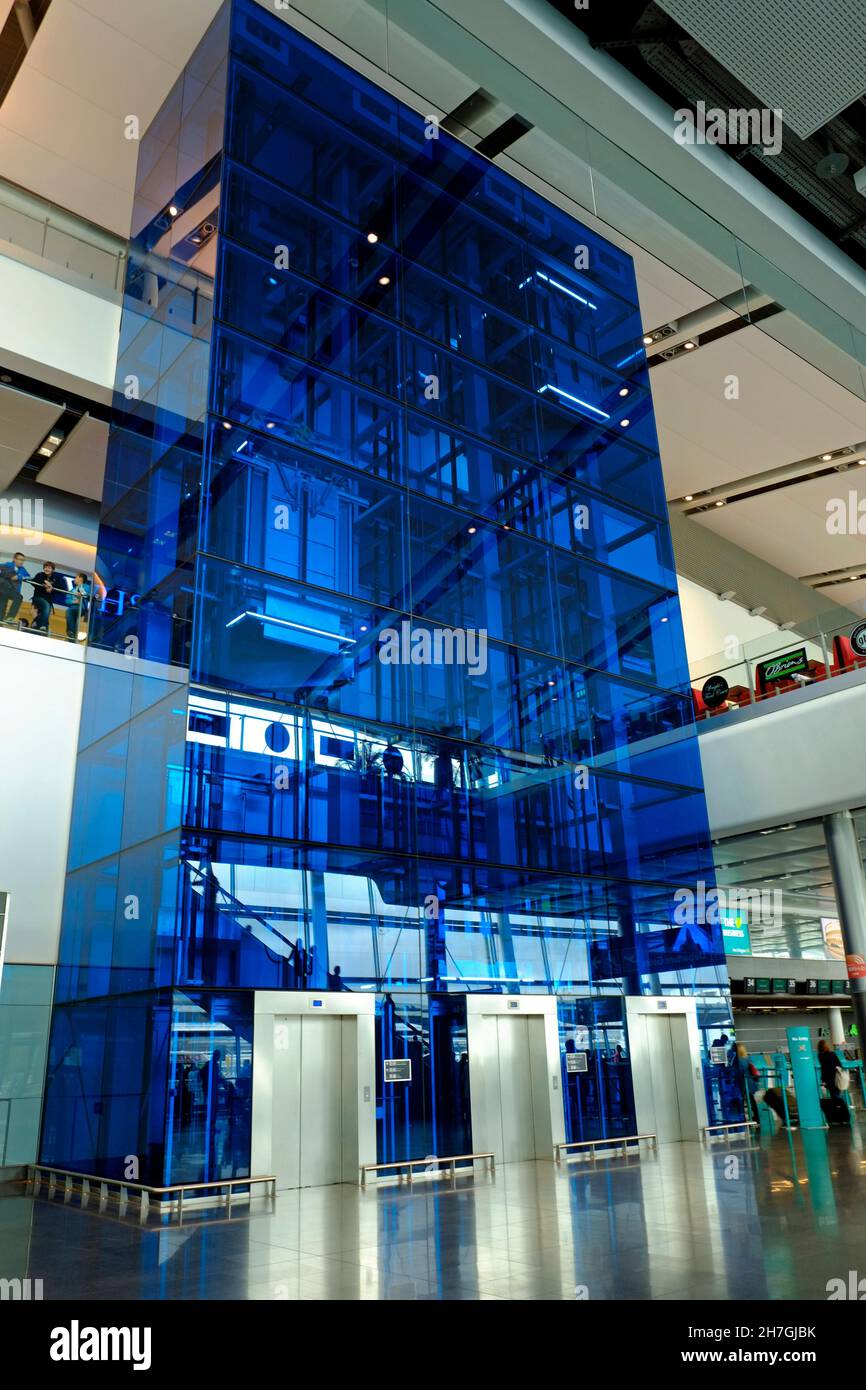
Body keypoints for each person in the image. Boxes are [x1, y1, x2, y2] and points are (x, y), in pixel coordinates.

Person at [733, 1042, 761, 1123]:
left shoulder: (737, 1060)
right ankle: (756, 1117)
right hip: (750, 1082)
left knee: (741, 1100)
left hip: (742, 1083)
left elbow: (737, 1071)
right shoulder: (747, 1058)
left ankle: (742, 1118)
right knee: (751, 1100)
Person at [30, 561, 61, 631]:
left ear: (52, 569)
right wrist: (46, 583)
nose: (47, 569)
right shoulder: (40, 574)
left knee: (42, 615)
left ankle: (37, 624)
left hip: (48, 600)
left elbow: (61, 588)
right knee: (46, 606)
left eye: (49, 568)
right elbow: (34, 581)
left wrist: (51, 588)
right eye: (45, 567)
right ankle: (44, 626)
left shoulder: (56, 578)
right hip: (38, 598)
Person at [0, 551, 29, 623]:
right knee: (17, 598)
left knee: (18, 597)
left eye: (23, 560)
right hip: (3, 588)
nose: (21, 562)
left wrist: (19, 576)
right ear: (14, 559)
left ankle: (9, 618)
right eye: (20, 559)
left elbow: (29, 576)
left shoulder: (22, 569)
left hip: (12, 591)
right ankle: (7, 617)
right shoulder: (8, 565)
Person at [66, 572, 91, 640]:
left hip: (81, 607)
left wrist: (80, 586)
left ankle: (70, 632)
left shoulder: (87, 587)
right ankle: (72, 635)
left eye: (76, 577)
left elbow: (85, 595)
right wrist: (73, 601)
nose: (74, 579)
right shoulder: (72, 589)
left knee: (69, 611)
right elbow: (67, 600)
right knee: (73, 619)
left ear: (81, 578)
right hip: (73, 606)